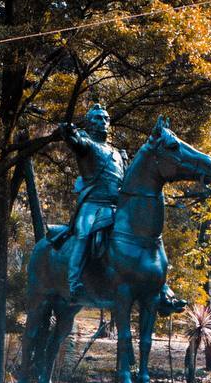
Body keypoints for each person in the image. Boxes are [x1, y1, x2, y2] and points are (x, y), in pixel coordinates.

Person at [58, 103, 183, 313]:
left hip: (117, 207)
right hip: (93, 205)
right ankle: (74, 283)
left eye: (106, 118)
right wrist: (68, 132)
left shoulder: (117, 153)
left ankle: (161, 288)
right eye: (98, 118)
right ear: (89, 123)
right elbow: (75, 142)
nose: (103, 122)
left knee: (147, 237)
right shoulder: (86, 143)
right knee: (84, 234)